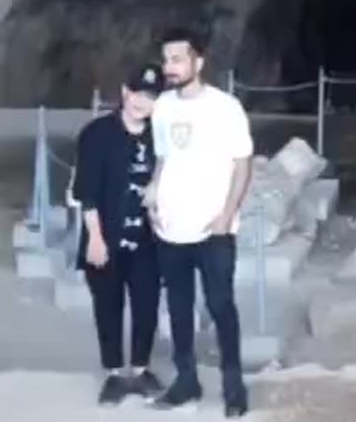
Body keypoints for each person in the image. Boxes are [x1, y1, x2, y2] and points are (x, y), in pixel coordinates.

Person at [145, 28, 254, 418]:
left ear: (198, 62)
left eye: (178, 59)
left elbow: (243, 163)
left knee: (221, 305)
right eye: (166, 60)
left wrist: (227, 214)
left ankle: (233, 387)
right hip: (171, 228)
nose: (170, 67)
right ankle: (186, 380)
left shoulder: (226, 107)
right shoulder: (162, 107)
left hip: (213, 228)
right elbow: (163, 158)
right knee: (177, 306)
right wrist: (154, 194)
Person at [73, 62, 166, 405]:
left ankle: (141, 369)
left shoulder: (161, 134)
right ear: (125, 93)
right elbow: (86, 192)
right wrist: (95, 239)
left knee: (146, 306)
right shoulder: (97, 135)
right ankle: (113, 372)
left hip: (149, 240)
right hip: (106, 237)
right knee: (107, 306)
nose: (143, 102)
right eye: (138, 93)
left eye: (151, 96)